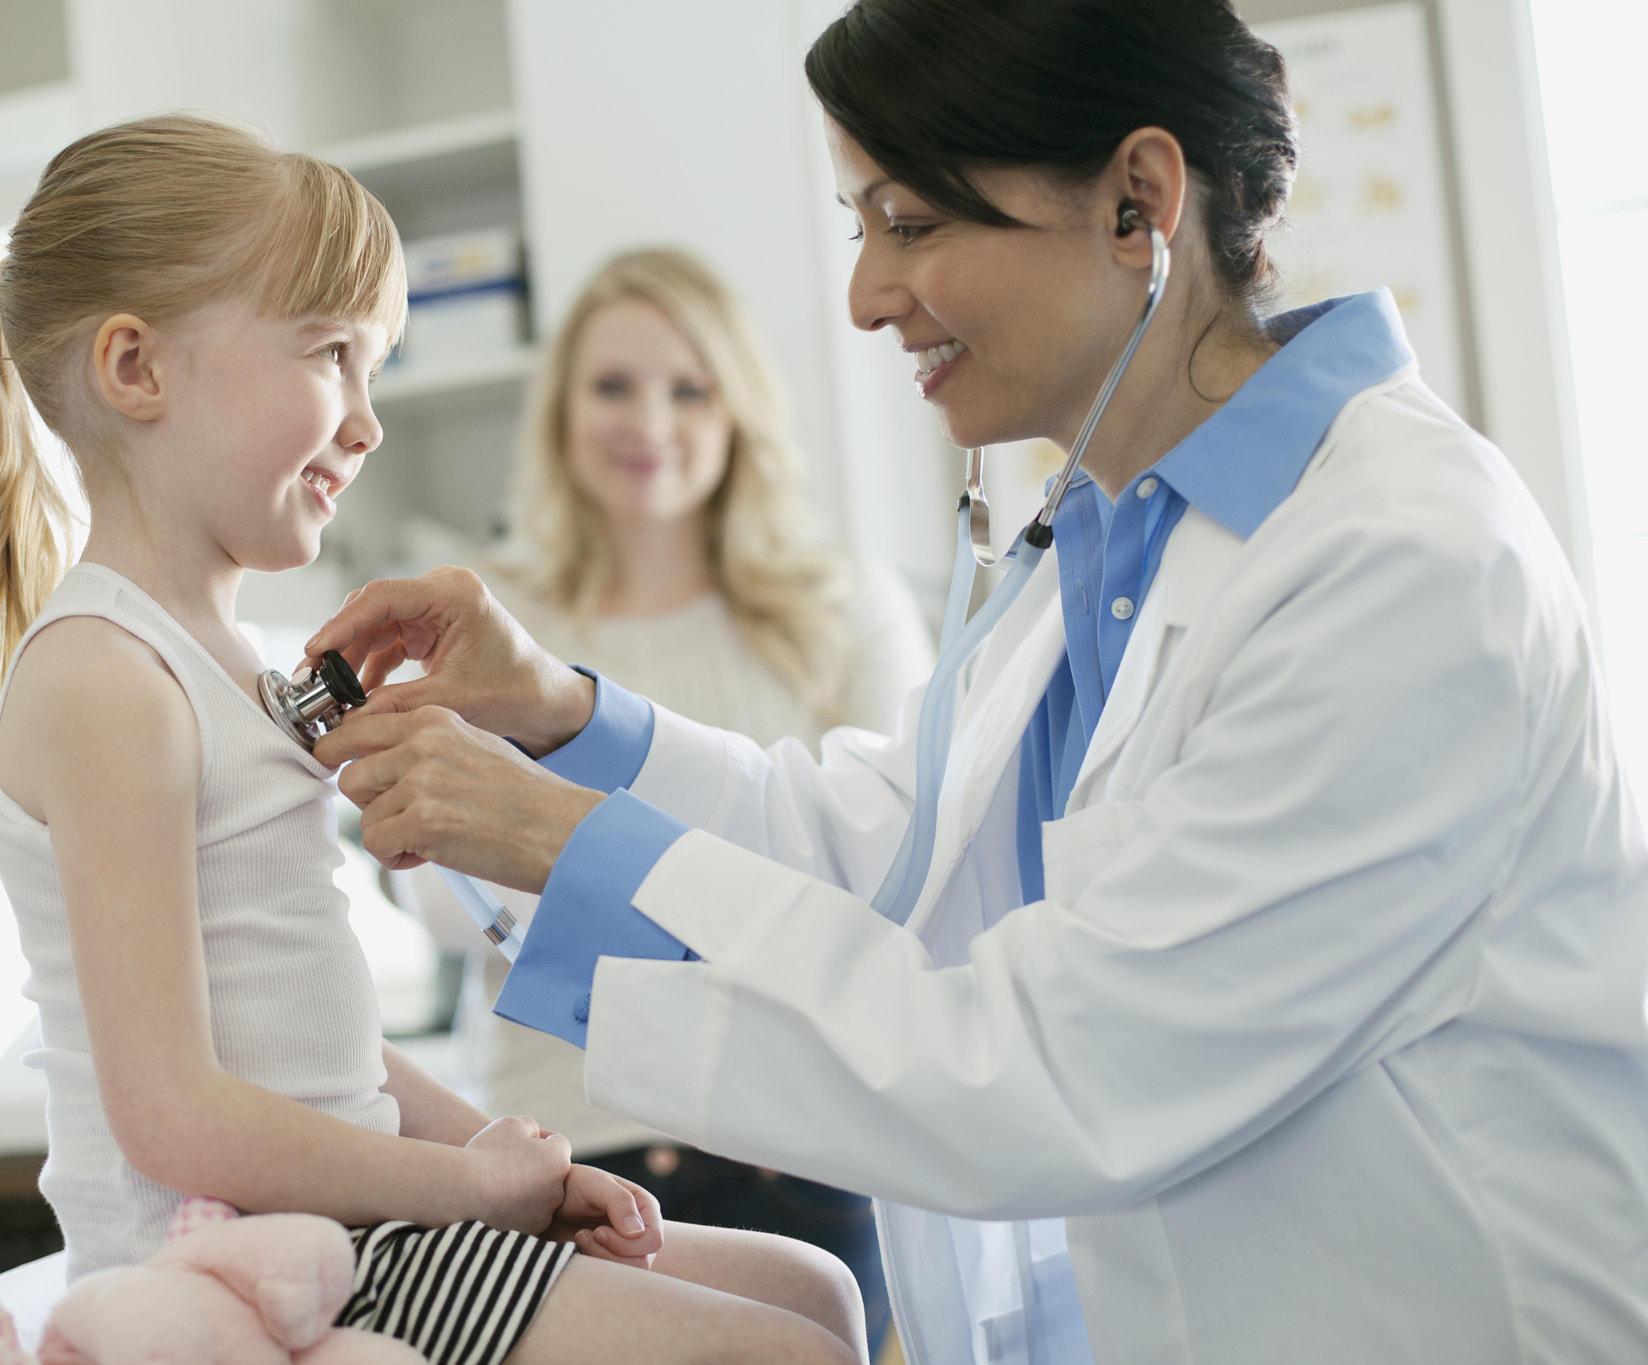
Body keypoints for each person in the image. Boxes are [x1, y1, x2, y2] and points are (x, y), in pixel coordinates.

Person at [303, 2, 1648, 1361]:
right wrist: (568, 720)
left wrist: (562, 839)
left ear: (1138, 202)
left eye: (913, 223)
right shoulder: (1119, 529)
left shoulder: (1395, 564)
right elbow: (881, 851)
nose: (867, 296)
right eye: (861, 228)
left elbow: (1061, 1067)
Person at [0, 113, 867, 1365]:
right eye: (329, 354)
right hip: (237, 1260)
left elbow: (324, 1057)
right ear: (136, 370)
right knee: (781, 1351)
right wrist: (469, 1192)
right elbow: (171, 1117)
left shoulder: (239, 674)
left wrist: (492, 1159)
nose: (365, 421)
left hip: (351, 1231)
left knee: (818, 1294)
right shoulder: (107, 679)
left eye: (375, 367)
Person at [399, 247, 931, 1352]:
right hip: (553, 1148)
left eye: (687, 388)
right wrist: (740, 900)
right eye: (611, 386)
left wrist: (553, 854)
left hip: (791, 1143)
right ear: (559, 411)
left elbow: (892, 871)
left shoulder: (840, 607)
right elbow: (447, 900)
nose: (649, 421)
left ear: (738, 409)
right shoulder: (490, 623)